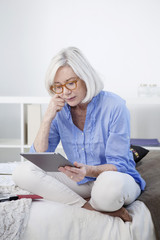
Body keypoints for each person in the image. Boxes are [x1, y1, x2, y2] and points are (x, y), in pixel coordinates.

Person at [12, 47, 145, 222]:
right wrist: (47, 118)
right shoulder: (59, 110)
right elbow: (37, 156)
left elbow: (118, 164)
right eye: (58, 86)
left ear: (86, 79)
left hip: (115, 178)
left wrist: (88, 170)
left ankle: (96, 201)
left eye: (70, 82)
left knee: (108, 189)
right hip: (80, 182)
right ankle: (88, 206)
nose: (65, 92)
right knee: (23, 171)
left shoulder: (115, 106)